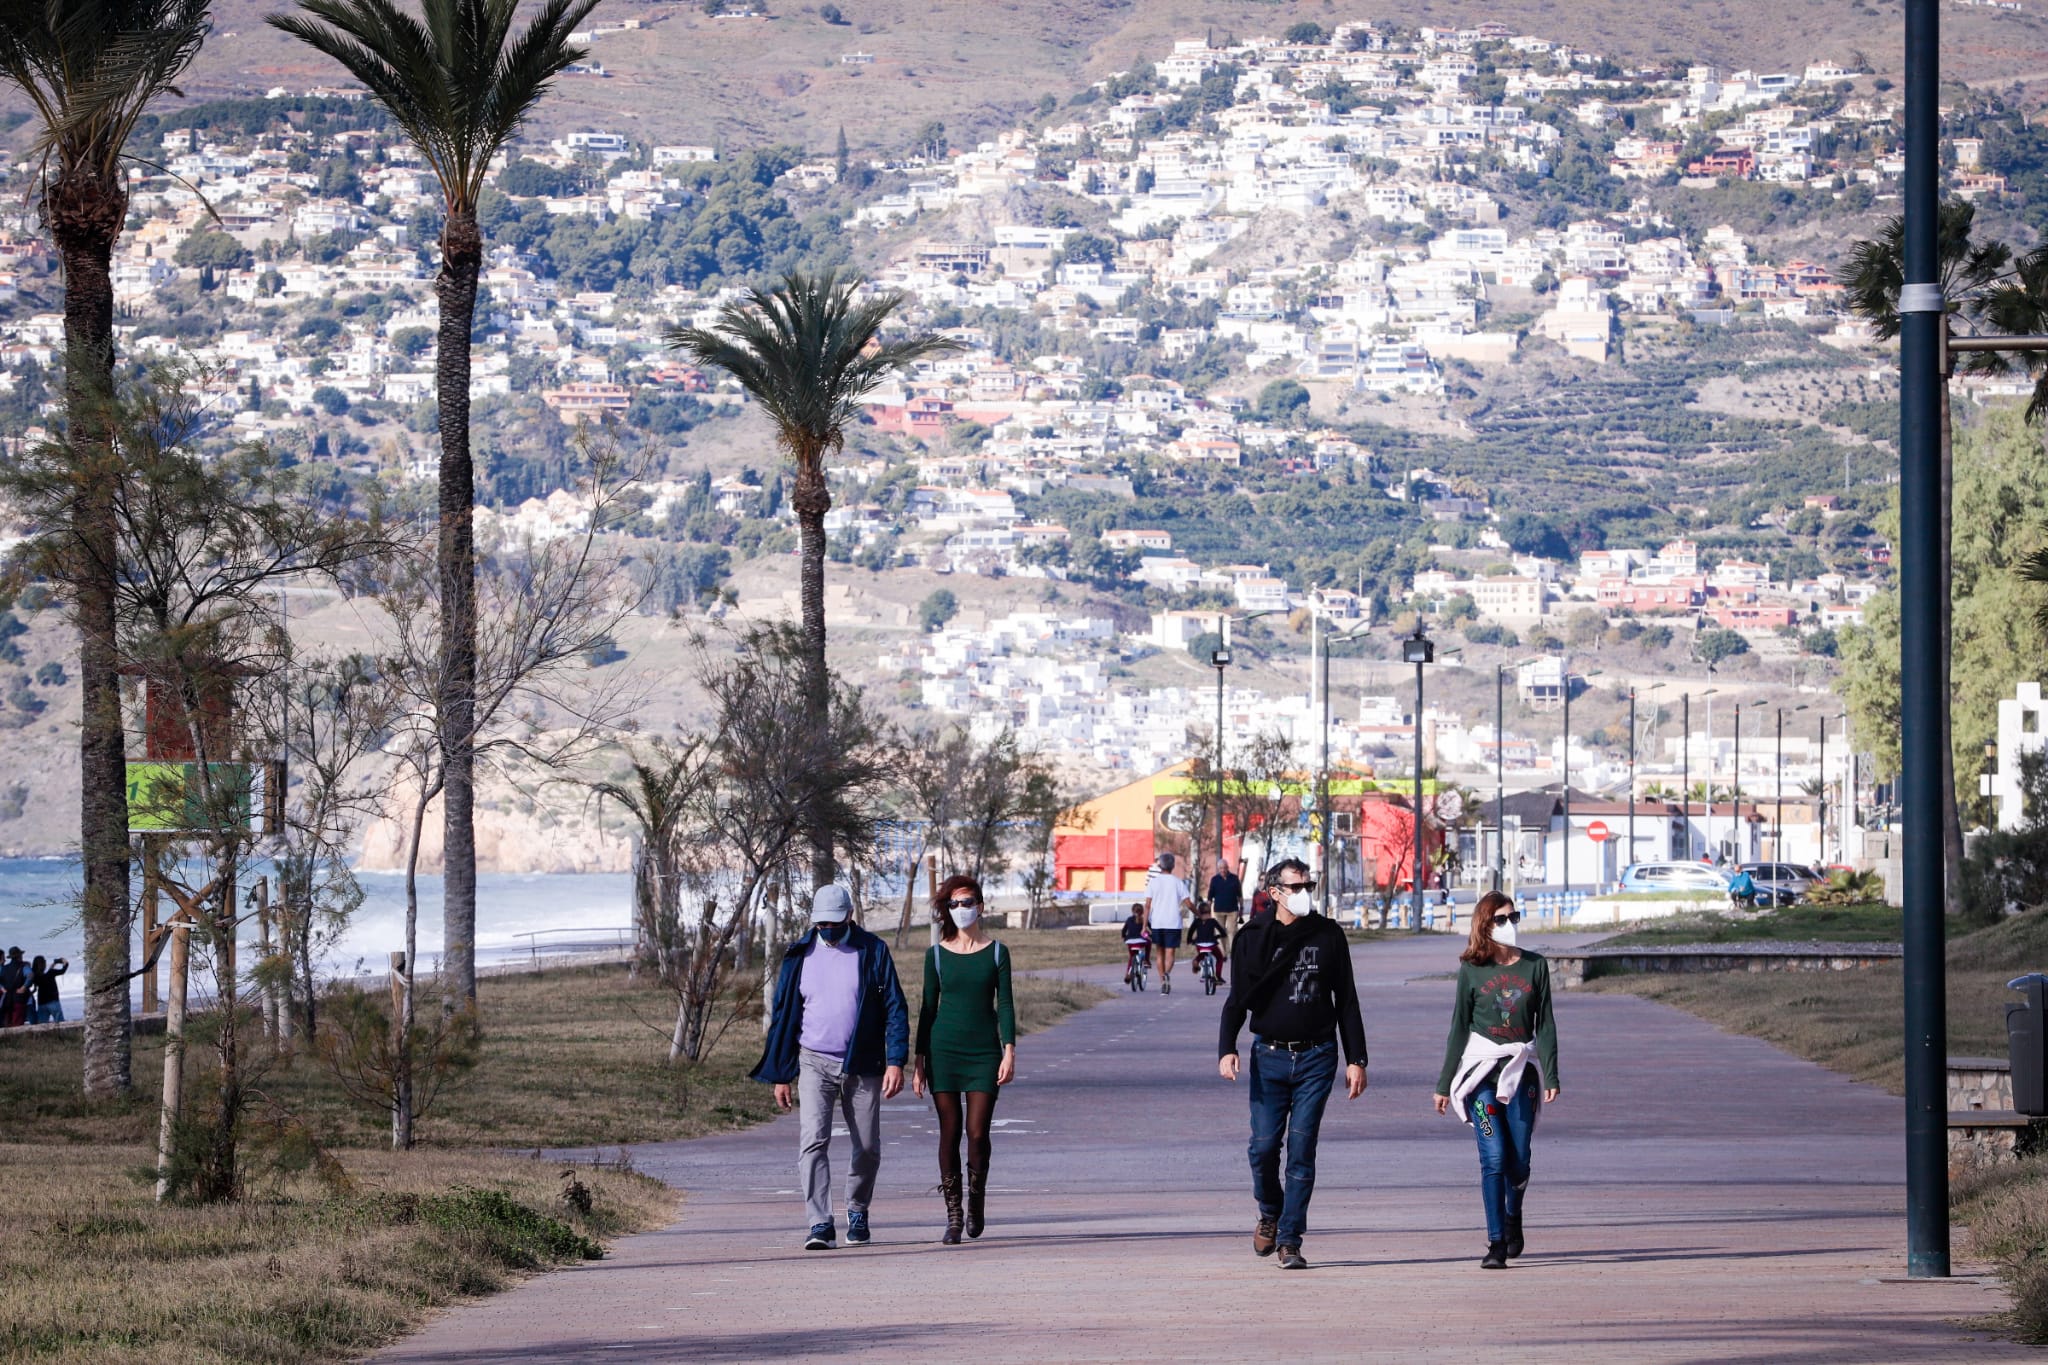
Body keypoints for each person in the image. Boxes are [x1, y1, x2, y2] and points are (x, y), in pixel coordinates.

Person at [1217, 858, 1369, 1271]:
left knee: (1301, 1149)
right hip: (1268, 1056)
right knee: (1263, 1147)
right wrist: (1226, 1046)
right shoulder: (1252, 937)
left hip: (1317, 1056)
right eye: (1295, 887)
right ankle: (1271, 1210)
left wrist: (1357, 1058)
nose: (1304, 894)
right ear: (1275, 892)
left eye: (1308, 886)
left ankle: (1289, 1239)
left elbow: (1348, 1000)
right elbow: (1237, 998)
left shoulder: (1328, 934)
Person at [751, 885, 910, 1252]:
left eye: (835, 923)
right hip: (813, 1061)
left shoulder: (872, 951)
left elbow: (895, 1009)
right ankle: (819, 1222)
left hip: (863, 1062)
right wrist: (780, 1074)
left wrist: (895, 1060)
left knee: (868, 1147)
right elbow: (784, 1016)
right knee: (813, 1142)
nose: (828, 929)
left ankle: (857, 1209)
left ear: (849, 916)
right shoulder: (799, 955)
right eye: (821, 923)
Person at [1432, 891, 1561, 1270]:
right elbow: (1458, 1026)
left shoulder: (1535, 967)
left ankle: (1513, 1214)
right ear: (1484, 926)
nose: (1510, 925)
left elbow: (1547, 1023)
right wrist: (1444, 1084)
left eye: (1514, 917)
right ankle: (1495, 1242)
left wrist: (1551, 1072)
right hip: (1481, 1074)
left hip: (1521, 1071)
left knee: (1518, 1159)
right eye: (1501, 919)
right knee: (1493, 1157)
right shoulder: (1472, 969)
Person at [914, 874, 1017, 1244]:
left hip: (984, 1053)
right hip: (944, 1051)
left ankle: (976, 1201)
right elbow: (927, 1009)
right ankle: (954, 1215)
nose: (961, 910)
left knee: (977, 1132)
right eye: (954, 904)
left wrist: (1009, 1050)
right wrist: (919, 1061)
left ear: (980, 906)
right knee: (950, 1130)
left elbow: (1004, 1003)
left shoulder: (996, 952)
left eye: (967, 902)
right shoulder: (936, 955)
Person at [1143, 852, 1193, 993]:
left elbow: (1147, 905)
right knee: (1170, 952)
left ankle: (1162, 980)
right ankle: (1167, 974)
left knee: (1160, 953)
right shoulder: (1178, 882)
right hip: (1173, 922)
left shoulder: (1153, 882)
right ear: (1172, 866)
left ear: (1160, 865)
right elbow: (1188, 903)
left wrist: (1144, 926)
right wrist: (1199, 914)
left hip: (1157, 922)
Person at [1187, 902, 1227, 986]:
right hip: (1211, 944)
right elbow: (1222, 931)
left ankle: (1196, 961)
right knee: (1219, 958)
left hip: (1200, 944)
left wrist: (1190, 940)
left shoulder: (1196, 921)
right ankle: (1217, 977)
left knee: (1202, 954)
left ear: (1199, 912)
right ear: (1209, 912)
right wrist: (1220, 936)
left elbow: (1190, 931)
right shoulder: (1213, 921)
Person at [30, 955, 67, 1025]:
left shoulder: (35, 976)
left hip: (42, 1003)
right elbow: (63, 970)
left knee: (42, 1025)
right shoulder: (51, 973)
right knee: (60, 1023)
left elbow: (47, 973)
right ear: (43, 964)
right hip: (53, 1001)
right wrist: (65, 962)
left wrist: (54, 964)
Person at [1120, 902, 1151, 982]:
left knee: (1131, 957)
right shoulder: (1144, 919)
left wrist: (1123, 936)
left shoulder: (1129, 919)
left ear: (1132, 911)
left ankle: (1128, 974)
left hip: (1130, 941)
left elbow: (1124, 930)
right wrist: (1152, 936)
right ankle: (1146, 960)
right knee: (1148, 942)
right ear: (1142, 911)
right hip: (1141, 940)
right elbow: (1151, 929)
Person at [1208, 859, 1244, 926]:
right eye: (1221, 868)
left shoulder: (1235, 878)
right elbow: (1210, 896)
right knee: (1220, 933)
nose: (1223, 870)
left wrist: (1241, 908)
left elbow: (1240, 895)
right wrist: (1208, 910)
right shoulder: (1214, 880)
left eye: (1224, 868)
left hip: (1232, 911)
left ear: (1227, 868)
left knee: (1232, 933)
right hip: (1219, 911)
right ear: (1218, 869)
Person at [0, 947, 30, 1028]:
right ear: (19, 956)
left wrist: (2, 988)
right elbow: (30, 976)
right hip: (19, 1000)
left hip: (7, 1001)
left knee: (7, 1024)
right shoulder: (24, 966)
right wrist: (24, 987)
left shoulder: (4, 968)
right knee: (18, 1025)